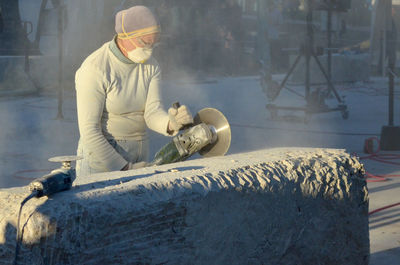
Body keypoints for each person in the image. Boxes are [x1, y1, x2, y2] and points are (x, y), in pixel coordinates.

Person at [75, 5, 193, 176]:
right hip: (102, 159)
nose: (149, 50)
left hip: (139, 154)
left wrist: (171, 123)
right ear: (125, 37)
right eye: (145, 43)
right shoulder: (95, 69)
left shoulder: (151, 65)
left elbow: (152, 113)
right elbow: (89, 131)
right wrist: (124, 168)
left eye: (154, 44)